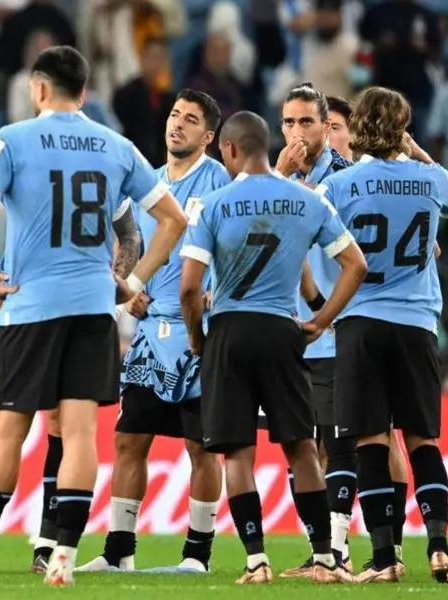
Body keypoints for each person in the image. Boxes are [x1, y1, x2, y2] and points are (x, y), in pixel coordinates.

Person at [0, 45, 188, 587]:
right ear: (84, 92)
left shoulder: (12, 139)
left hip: (30, 307)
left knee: (8, 430)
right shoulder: (117, 146)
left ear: (38, 88)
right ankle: (62, 553)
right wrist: (132, 282)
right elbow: (172, 220)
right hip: (93, 309)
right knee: (81, 432)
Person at [178, 110, 366, 584]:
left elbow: (188, 288)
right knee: (302, 448)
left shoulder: (212, 204)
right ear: (267, 146)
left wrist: (199, 340)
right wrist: (321, 320)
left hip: (229, 332)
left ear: (230, 148)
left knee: (238, 453)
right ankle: (325, 559)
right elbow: (356, 265)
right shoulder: (308, 200)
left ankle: (256, 561)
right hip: (283, 330)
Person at [319, 86, 448, 584]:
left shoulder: (342, 184)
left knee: (371, 440)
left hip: (361, 321)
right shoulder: (430, 178)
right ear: (404, 128)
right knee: (422, 439)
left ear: (359, 127)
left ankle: (384, 558)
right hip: (418, 324)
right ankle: (439, 548)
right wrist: (420, 154)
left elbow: (312, 226)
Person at [80, 89, 230, 575]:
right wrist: (129, 288)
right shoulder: (148, 184)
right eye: (174, 114)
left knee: (201, 447)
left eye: (191, 120)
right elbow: (129, 242)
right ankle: (118, 550)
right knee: (129, 440)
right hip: (150, 332)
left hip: (200, 334)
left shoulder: (220, 181)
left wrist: (218, 292)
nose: (177, 124)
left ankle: (197, 556)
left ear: (208, 137)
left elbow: (237, 243)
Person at [272, 83, 360, 577]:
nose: (297, 132)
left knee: (337, 441)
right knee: (298, 444)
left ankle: (339, 550)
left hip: (336, 328)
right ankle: (319, 550)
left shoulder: (348, 177)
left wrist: (278, 180)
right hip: (288, 332)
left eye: (306, 122)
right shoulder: (278, 177)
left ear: (327, 127)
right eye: (289, 122)